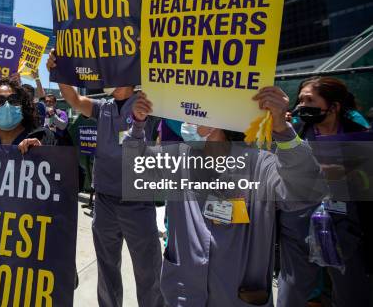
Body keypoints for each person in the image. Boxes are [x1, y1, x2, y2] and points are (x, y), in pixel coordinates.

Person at [124, 87, 324, 307]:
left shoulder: (260, 165)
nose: (185, 122)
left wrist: (282, 129)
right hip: (183, 294)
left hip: (237, 296)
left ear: (218, 120)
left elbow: (303, 191)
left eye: (193, 114)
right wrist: (138, 124)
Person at [46, 51, 165, 307]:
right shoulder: (103, 108)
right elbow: (74, 99)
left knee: (148, 271)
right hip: (105, 202)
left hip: (137, 202)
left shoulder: (148, 102)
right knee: (107, 268)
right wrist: (58, 72)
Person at [277, 77, 372, 307]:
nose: (301, 106)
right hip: (299, 226)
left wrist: (350, 176)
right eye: (300, 100)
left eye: (310, 100)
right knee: (292, 291)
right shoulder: (294, 133)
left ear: (334, 107)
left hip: (345, 229)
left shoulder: (361, 137)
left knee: (351, 291)